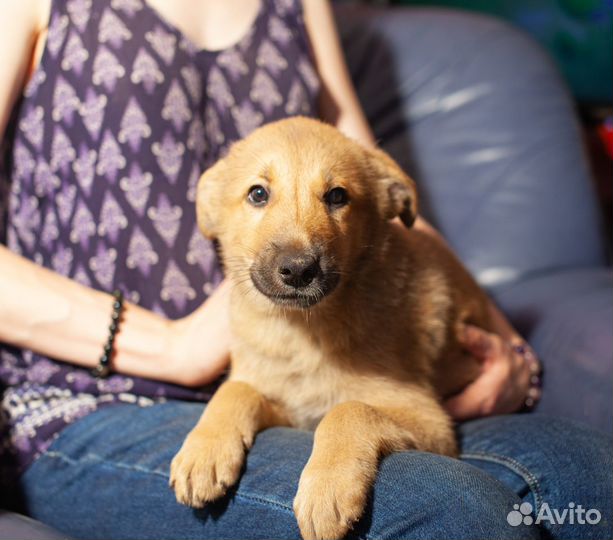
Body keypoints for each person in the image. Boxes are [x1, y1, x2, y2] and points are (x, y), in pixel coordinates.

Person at [0, 0, 610, 539]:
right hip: (84, 401)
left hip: (291, 367)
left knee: (588, 480)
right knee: (442, 511)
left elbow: (374, 191)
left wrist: (510, 351)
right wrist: (172, 346)